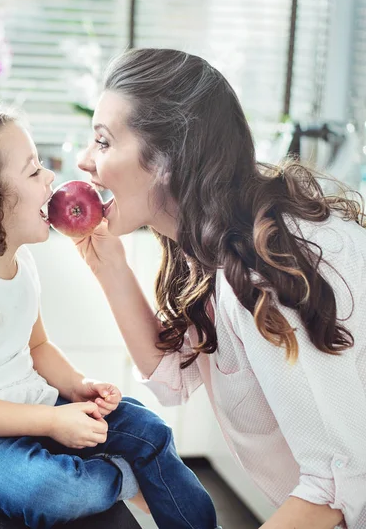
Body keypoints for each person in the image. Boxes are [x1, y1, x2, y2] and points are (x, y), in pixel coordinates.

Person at [0, 107, 219, 529]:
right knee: (59, 491)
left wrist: (77, 387)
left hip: (24, 404)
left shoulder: (19, 262)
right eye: (33, 171)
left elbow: (37, 346)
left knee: (148, 429)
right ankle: (128, 477)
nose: (50, 180)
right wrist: (52, 421)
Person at [75, 47, 366, 529]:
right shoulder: (219, 239)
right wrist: (111, 269)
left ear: (170, 158)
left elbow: (337, 486)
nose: (85, 161)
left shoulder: (264, 271)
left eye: (104, 143)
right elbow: (174, 375)